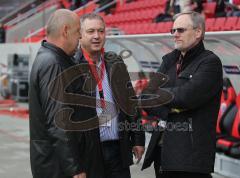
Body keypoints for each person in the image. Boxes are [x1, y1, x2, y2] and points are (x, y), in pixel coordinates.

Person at [142, 11, 223, 178]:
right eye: (173, 31)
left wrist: (161, 97)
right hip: (162, 152)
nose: (175, 35)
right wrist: (172, 109)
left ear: (198, 32)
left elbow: (186, 96)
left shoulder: (210, 62)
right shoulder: (169, 60)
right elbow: (145, 98)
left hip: (190, 159)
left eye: (180, 30)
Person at [73, 13, 145, 178]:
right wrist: (74, 163)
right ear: (80, 35)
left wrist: (138, 139)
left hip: (118, 149)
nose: (97, 36)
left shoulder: (115, 62)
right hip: (89, 153)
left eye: (101, 31)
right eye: (91, 31)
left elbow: (131, 102)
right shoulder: (73, 66)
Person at [29, 9, 85, 178]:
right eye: (78, 32)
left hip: (53, 161)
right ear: (65, 31)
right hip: (56, 166)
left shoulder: (52, 58)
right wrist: (74, 168)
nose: (80, 37)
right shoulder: (52, 63)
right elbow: (59, 121)